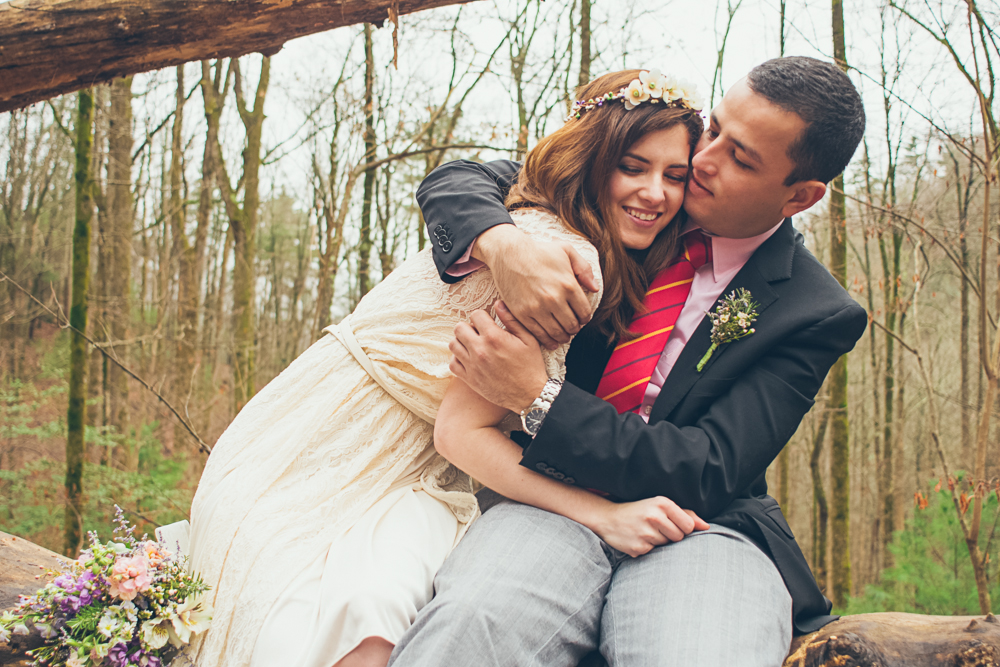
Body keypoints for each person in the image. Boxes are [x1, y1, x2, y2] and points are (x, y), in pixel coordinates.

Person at [186, 69, 708, 667]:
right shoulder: (564, 265)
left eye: (675, 176)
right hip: (338, 443)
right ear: (593, 159)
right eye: (633, 166)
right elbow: (462, 432)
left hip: (338, 431)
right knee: (293, 624)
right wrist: (606, 516)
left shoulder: (533, 207)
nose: (655, 194)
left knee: (359, 616)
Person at [387, 56, 868, 667]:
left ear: (799, 196)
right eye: (713, 129)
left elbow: (707, 469)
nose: (703, 159)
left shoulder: (814, 310)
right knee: (472, 624)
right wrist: (504, 245)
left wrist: (541, 397)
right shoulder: (628, 200)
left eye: (740, 158)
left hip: (700, 529)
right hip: (545, 500)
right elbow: (459, 180)